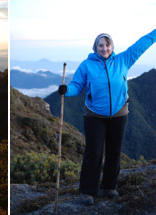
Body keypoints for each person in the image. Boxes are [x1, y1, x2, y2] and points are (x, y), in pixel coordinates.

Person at [58, 29, 156, 205]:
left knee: (114, 152)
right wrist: (67, 90)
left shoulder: (123, 60)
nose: (104, 48)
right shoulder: (87, 65)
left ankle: (110, 187)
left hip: (119, 114)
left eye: (107, 44)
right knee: (94, 152)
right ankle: (87, 191)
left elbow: (142, 44)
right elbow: (77, 86)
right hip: (94, 115)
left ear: (112, 46)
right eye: (101, 45)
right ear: (95, 48)